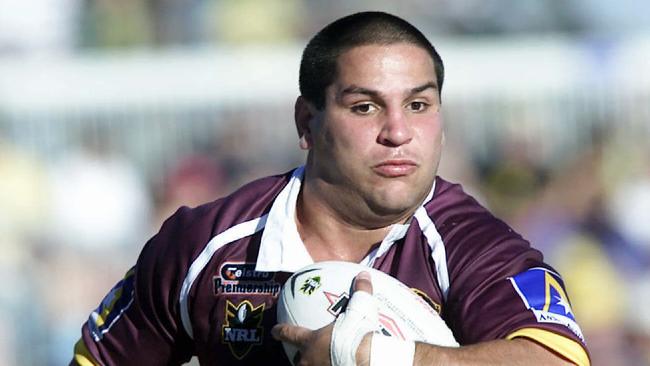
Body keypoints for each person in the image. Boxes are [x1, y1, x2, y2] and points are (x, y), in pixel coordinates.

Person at [71, 11, 590, 366]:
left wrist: (375, 356)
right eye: (365, 107)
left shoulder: (471, 243)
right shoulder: (205, 244)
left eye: (418, 105)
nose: (398, 131)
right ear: (307, 122)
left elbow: (555, 357)